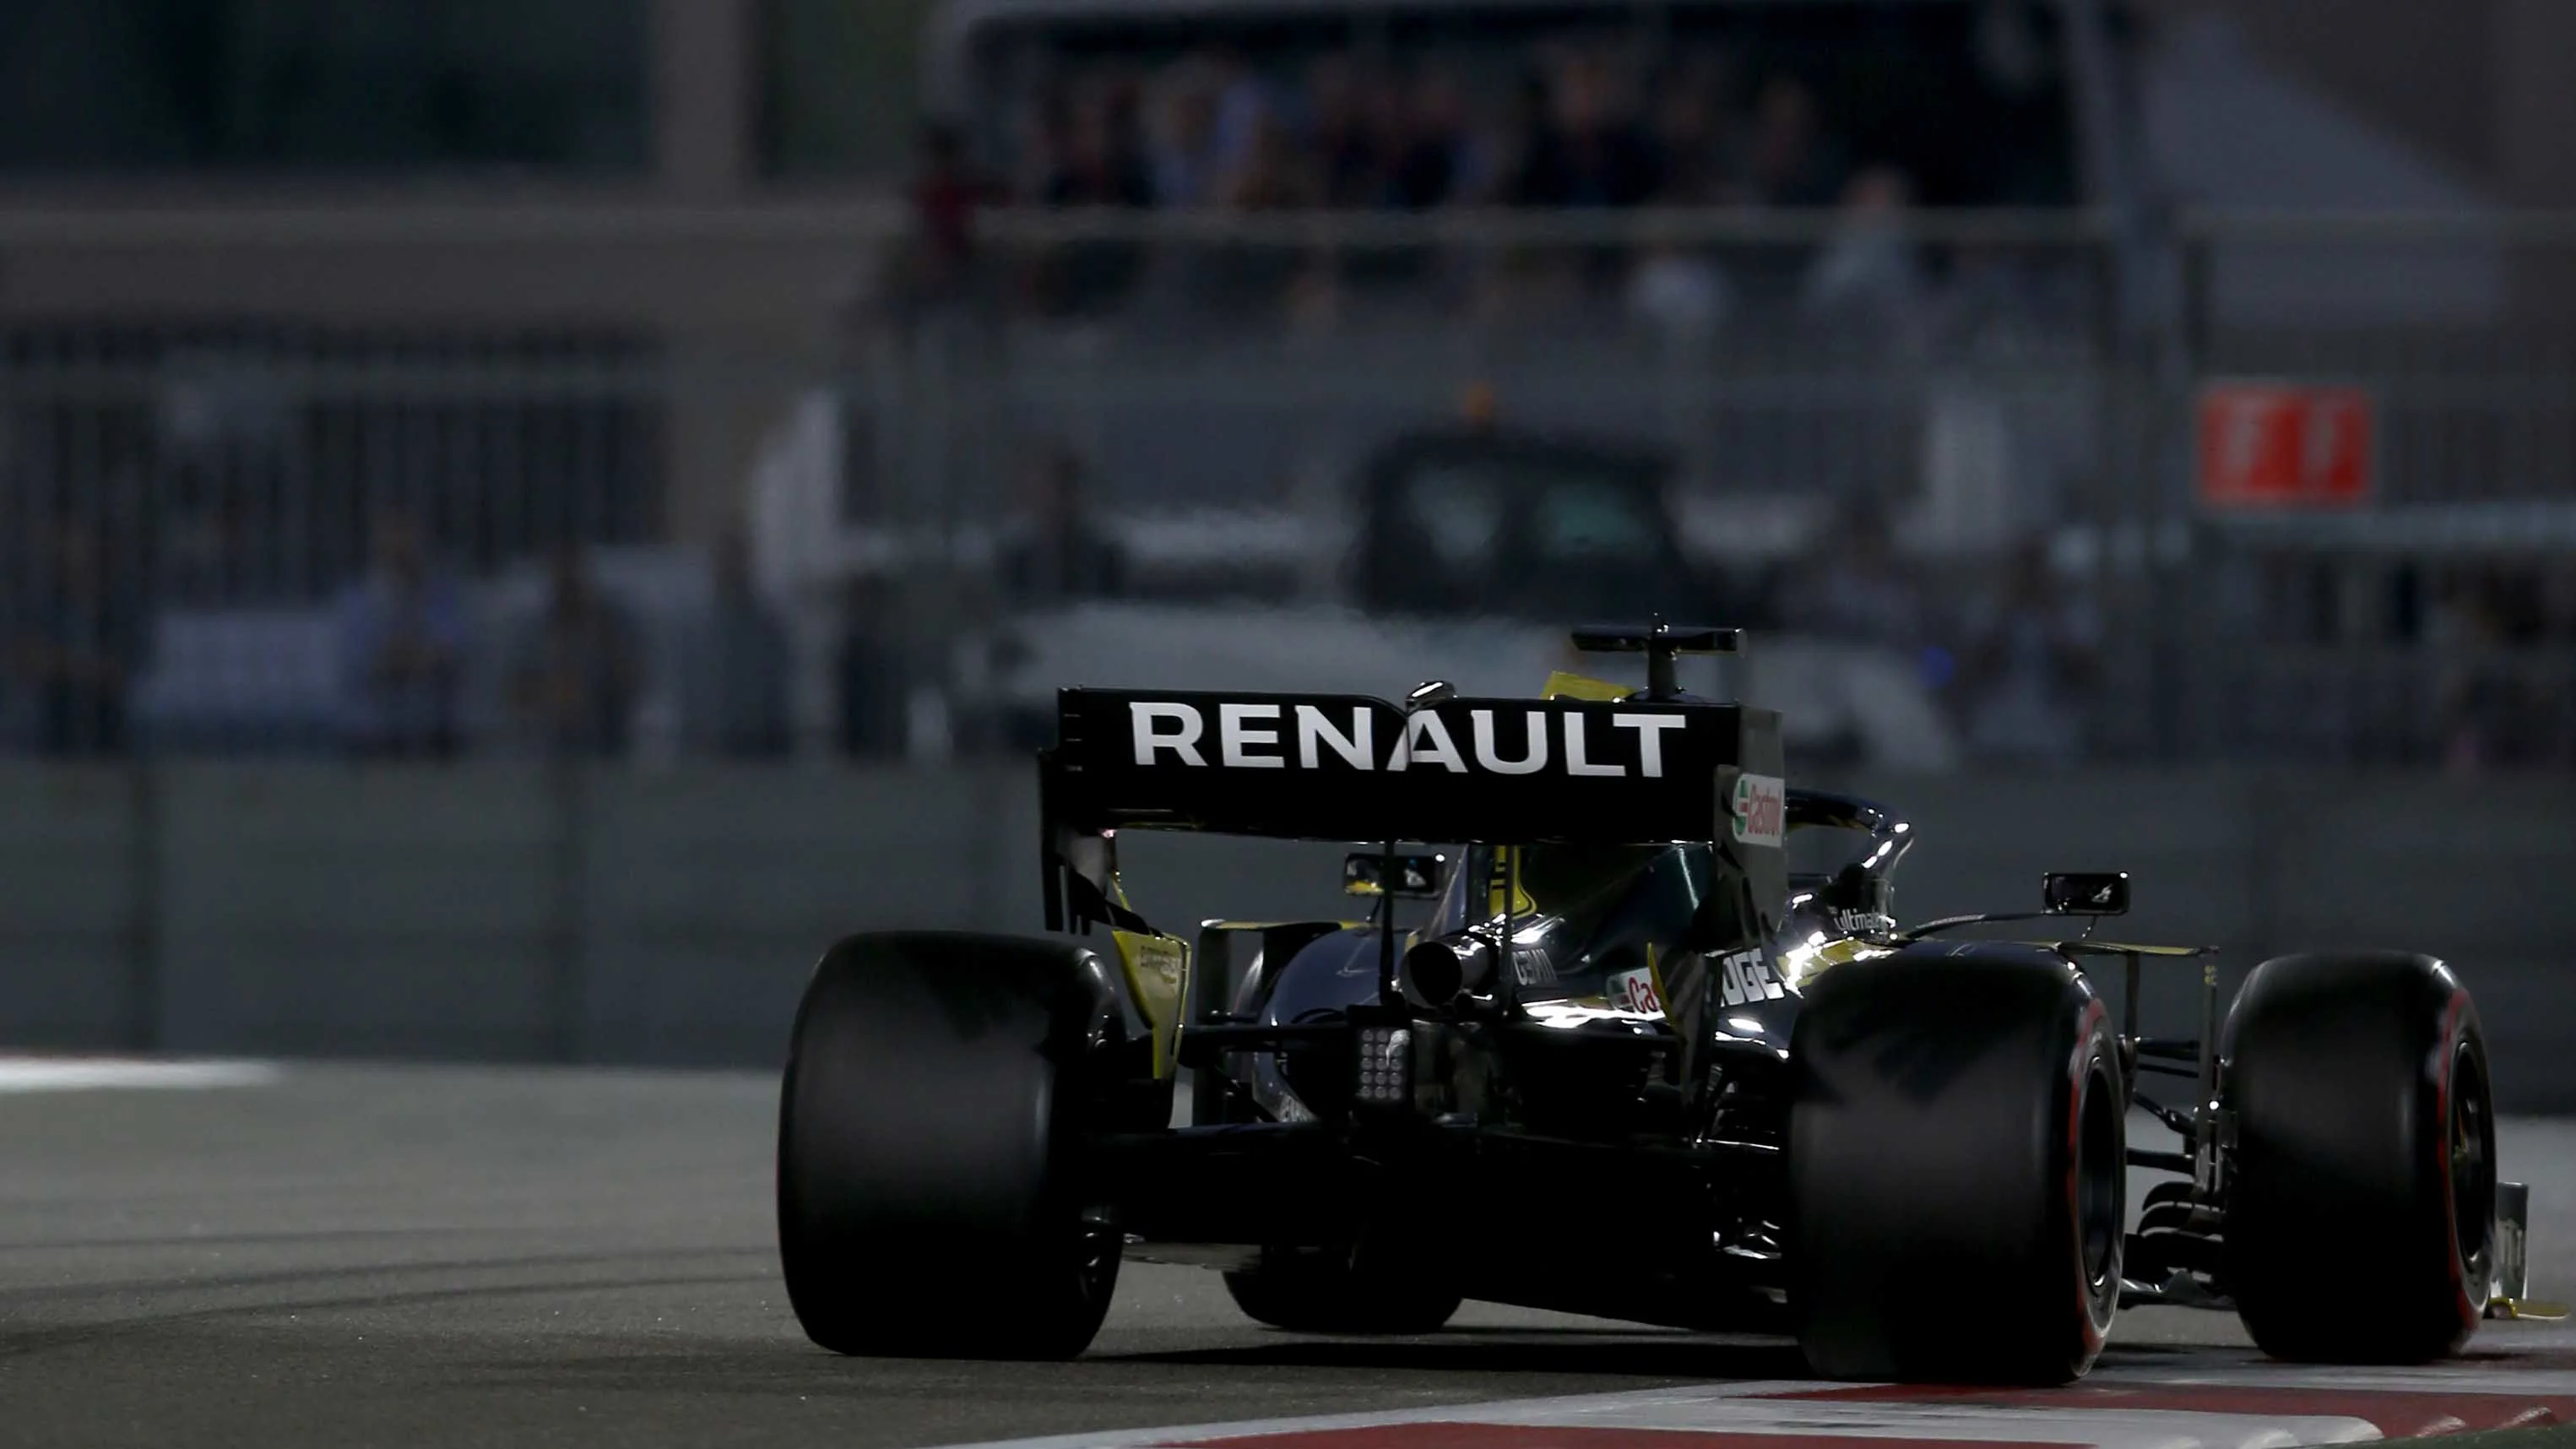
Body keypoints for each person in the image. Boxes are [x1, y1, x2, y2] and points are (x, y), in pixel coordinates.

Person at [1954, 535, 2100, 763]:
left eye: (2037, 568)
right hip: (1996, 728)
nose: (2031, 577)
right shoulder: (1987, 609)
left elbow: (2085, 670)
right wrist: (2006, 612)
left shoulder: (2074, 611)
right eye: (2024, 568)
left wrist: (2051, 615)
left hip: (2055, 729)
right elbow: (1973, 668)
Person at [335, 511, 467, 759]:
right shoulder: (357, 599)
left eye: (407, 534)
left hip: (433, 733)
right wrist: (414, 657)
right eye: (393, 534)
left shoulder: (443, 594)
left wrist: (402, 657)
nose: (401, 544)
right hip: (372, 735)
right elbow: (363, 664)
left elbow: (451, 653)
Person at [11, 523, 142, 757]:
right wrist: (91, 665)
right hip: (54, 727)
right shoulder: (45, 605)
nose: (76, 556)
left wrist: (61, 661)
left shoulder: (117, 607)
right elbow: (29, 662)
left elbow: (120, 670)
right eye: (69, 549)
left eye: (83, 549)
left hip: (108, 728)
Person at [508, 545, 643, 759]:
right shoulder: (537, 631)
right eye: (561, 581)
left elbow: (632, 680)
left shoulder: (611, 624)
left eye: (573, 579)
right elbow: (518, 689)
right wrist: (552, 692)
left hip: (605, 734)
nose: (568, 589)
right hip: (553, 738)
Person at [679, 531, 794, 760]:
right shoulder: (699, 623)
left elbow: (777, 682)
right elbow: (689, 683)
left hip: (757, 740)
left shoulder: (766, 624)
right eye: (726, 558)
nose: (732, 566)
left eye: (738, 558)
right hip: (711, 740)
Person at [997, 448, 1126, 605]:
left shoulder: (1105, 560)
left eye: (1064, 491)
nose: (1053, 502)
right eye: (1045, 492)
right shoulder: (1017, 559)